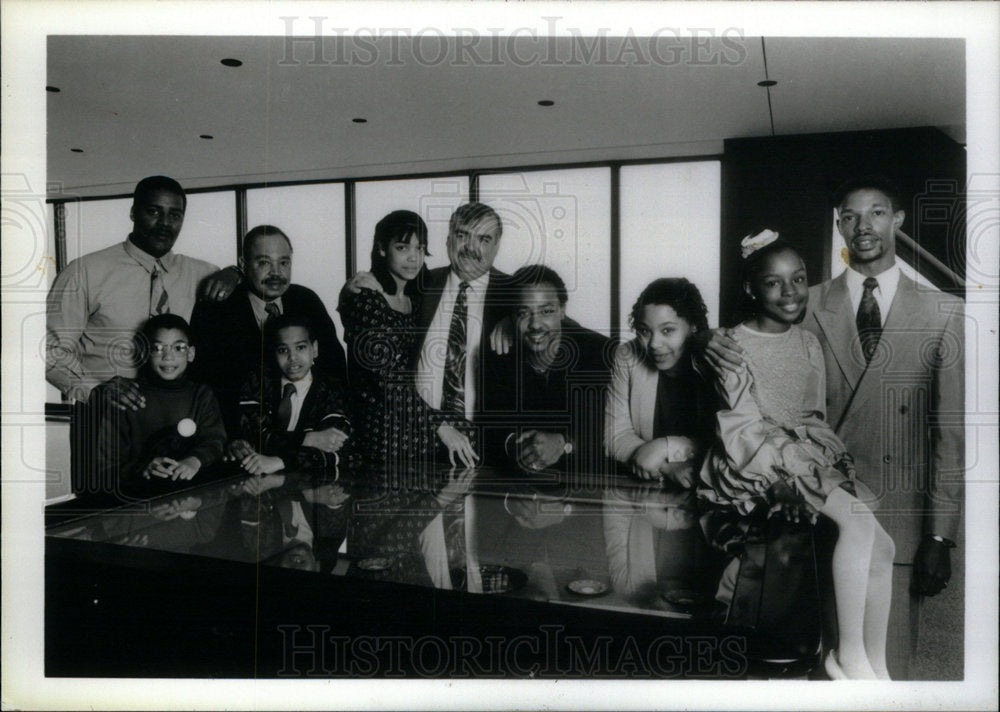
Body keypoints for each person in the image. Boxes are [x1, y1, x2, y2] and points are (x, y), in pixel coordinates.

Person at [704, 178, 964, 680]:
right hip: (796, 506)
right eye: (850, 215)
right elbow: (744, 374)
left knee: (885, 677)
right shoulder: (805, 306)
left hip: (892, 509)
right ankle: (843, 658)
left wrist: (940, 534)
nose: (863, 226)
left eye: (877, 213)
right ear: (838, 225)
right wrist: (701, 345)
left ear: (899, 221)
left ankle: (860, 661)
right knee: (802, 666)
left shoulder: (945, 311)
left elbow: (949, 433)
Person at [699, 232, 894, 680]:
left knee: (883, 546)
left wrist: (831, 459)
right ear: (751, 289)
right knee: (859, 524)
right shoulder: (732, 346)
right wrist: (783, 473)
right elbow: (742, 427)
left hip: (804, 455)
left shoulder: (807, 343)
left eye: (799, 279)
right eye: (774, 283)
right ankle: (845, 656)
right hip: (756, 464)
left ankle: (875, 665)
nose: (790, 293)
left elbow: (812, 415)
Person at [46, 176, 225, 495]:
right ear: (133, 212)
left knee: (172, 513)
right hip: (102, 419)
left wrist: (234, 273)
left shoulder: (201, 273)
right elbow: (50, 352)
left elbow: (243, 283)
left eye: (175, 214)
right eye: (153, 212)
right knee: (98, 518)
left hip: (169, 421)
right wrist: (96, 389)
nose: (165, 223)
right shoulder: (85, 271)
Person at [344, 203, 514, 467]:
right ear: (447, 240)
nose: (470, 246)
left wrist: (516, 319)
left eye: (483, 238)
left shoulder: (515, 294)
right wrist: (348, 291)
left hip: (481, 447)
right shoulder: (419, 284)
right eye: (462, 235)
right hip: (410, 445)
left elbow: (561, 325)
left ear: (497, 246)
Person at [189, 224, 348, 435]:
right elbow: (206, 385)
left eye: (284, 262)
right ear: (243, 265)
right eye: (264, 262)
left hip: (308, 429)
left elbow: (334, 368)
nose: (276, 273)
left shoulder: (306, 300)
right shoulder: (217, 310)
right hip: (238, 433)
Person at [479, 264, 613, 475]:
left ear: (562, 311)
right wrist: (516, 445)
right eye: (524, 313)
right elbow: (491, 427)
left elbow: (613, 431)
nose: (536, 324)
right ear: (512, 317)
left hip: (589, 484)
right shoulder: (500, 356)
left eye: (546, 311)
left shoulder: (600, 352)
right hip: (522, 490)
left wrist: (565, 444)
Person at [338, 210, 436, 469]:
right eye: (402, 247)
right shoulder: (367, 298)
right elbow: (386, 379)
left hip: (413, 418)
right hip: (380, 429)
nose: (413, 257)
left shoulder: (414, 300)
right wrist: (440, 424)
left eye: (420, 247)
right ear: (381, 249)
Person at [93, 314, 226, 500]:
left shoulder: (202, 395)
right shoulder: (126, 397)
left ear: (191, 353)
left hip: (190, 499)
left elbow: (215, 440)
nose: (168, 356)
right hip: (140, 504)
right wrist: (143, 469)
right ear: (144, 353)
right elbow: (106, 466)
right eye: (158, 348)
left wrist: (194, 461)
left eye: (178, 348)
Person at [605, 278, 718, 487]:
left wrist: (666, 446)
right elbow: (614, 436)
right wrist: (667, 467)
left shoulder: (714, 360)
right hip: (647, 489)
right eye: (645, 331)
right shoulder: (628, 356)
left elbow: (728, 441)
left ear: (693, 326)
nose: (654, 344)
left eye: (667, 330)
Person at [228, 314, 352, 494]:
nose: (293, 358)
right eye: (283, 350)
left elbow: (336, 450)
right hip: (255, 487)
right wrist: (307, 439)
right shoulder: (258, 381)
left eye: (300, 347)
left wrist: (280, 461)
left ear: (314, 349)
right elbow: (254, 435)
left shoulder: (332, 389)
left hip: (310, 489)